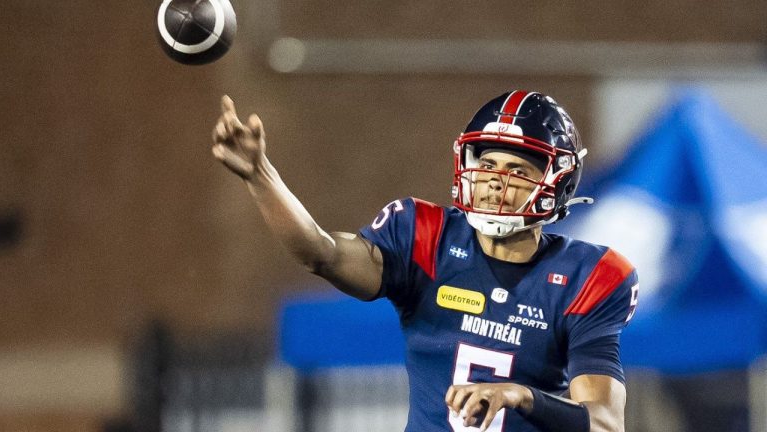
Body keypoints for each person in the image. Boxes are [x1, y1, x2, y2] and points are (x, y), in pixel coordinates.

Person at [211, 90, 639, 432]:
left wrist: (522, 396)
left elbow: (605, 423)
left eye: (517, 170)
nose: (495, 182)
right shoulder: (426, 237)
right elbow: (321, 254)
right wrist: (260, 175)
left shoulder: (587, 277)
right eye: (488, 164)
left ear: (556, 183)